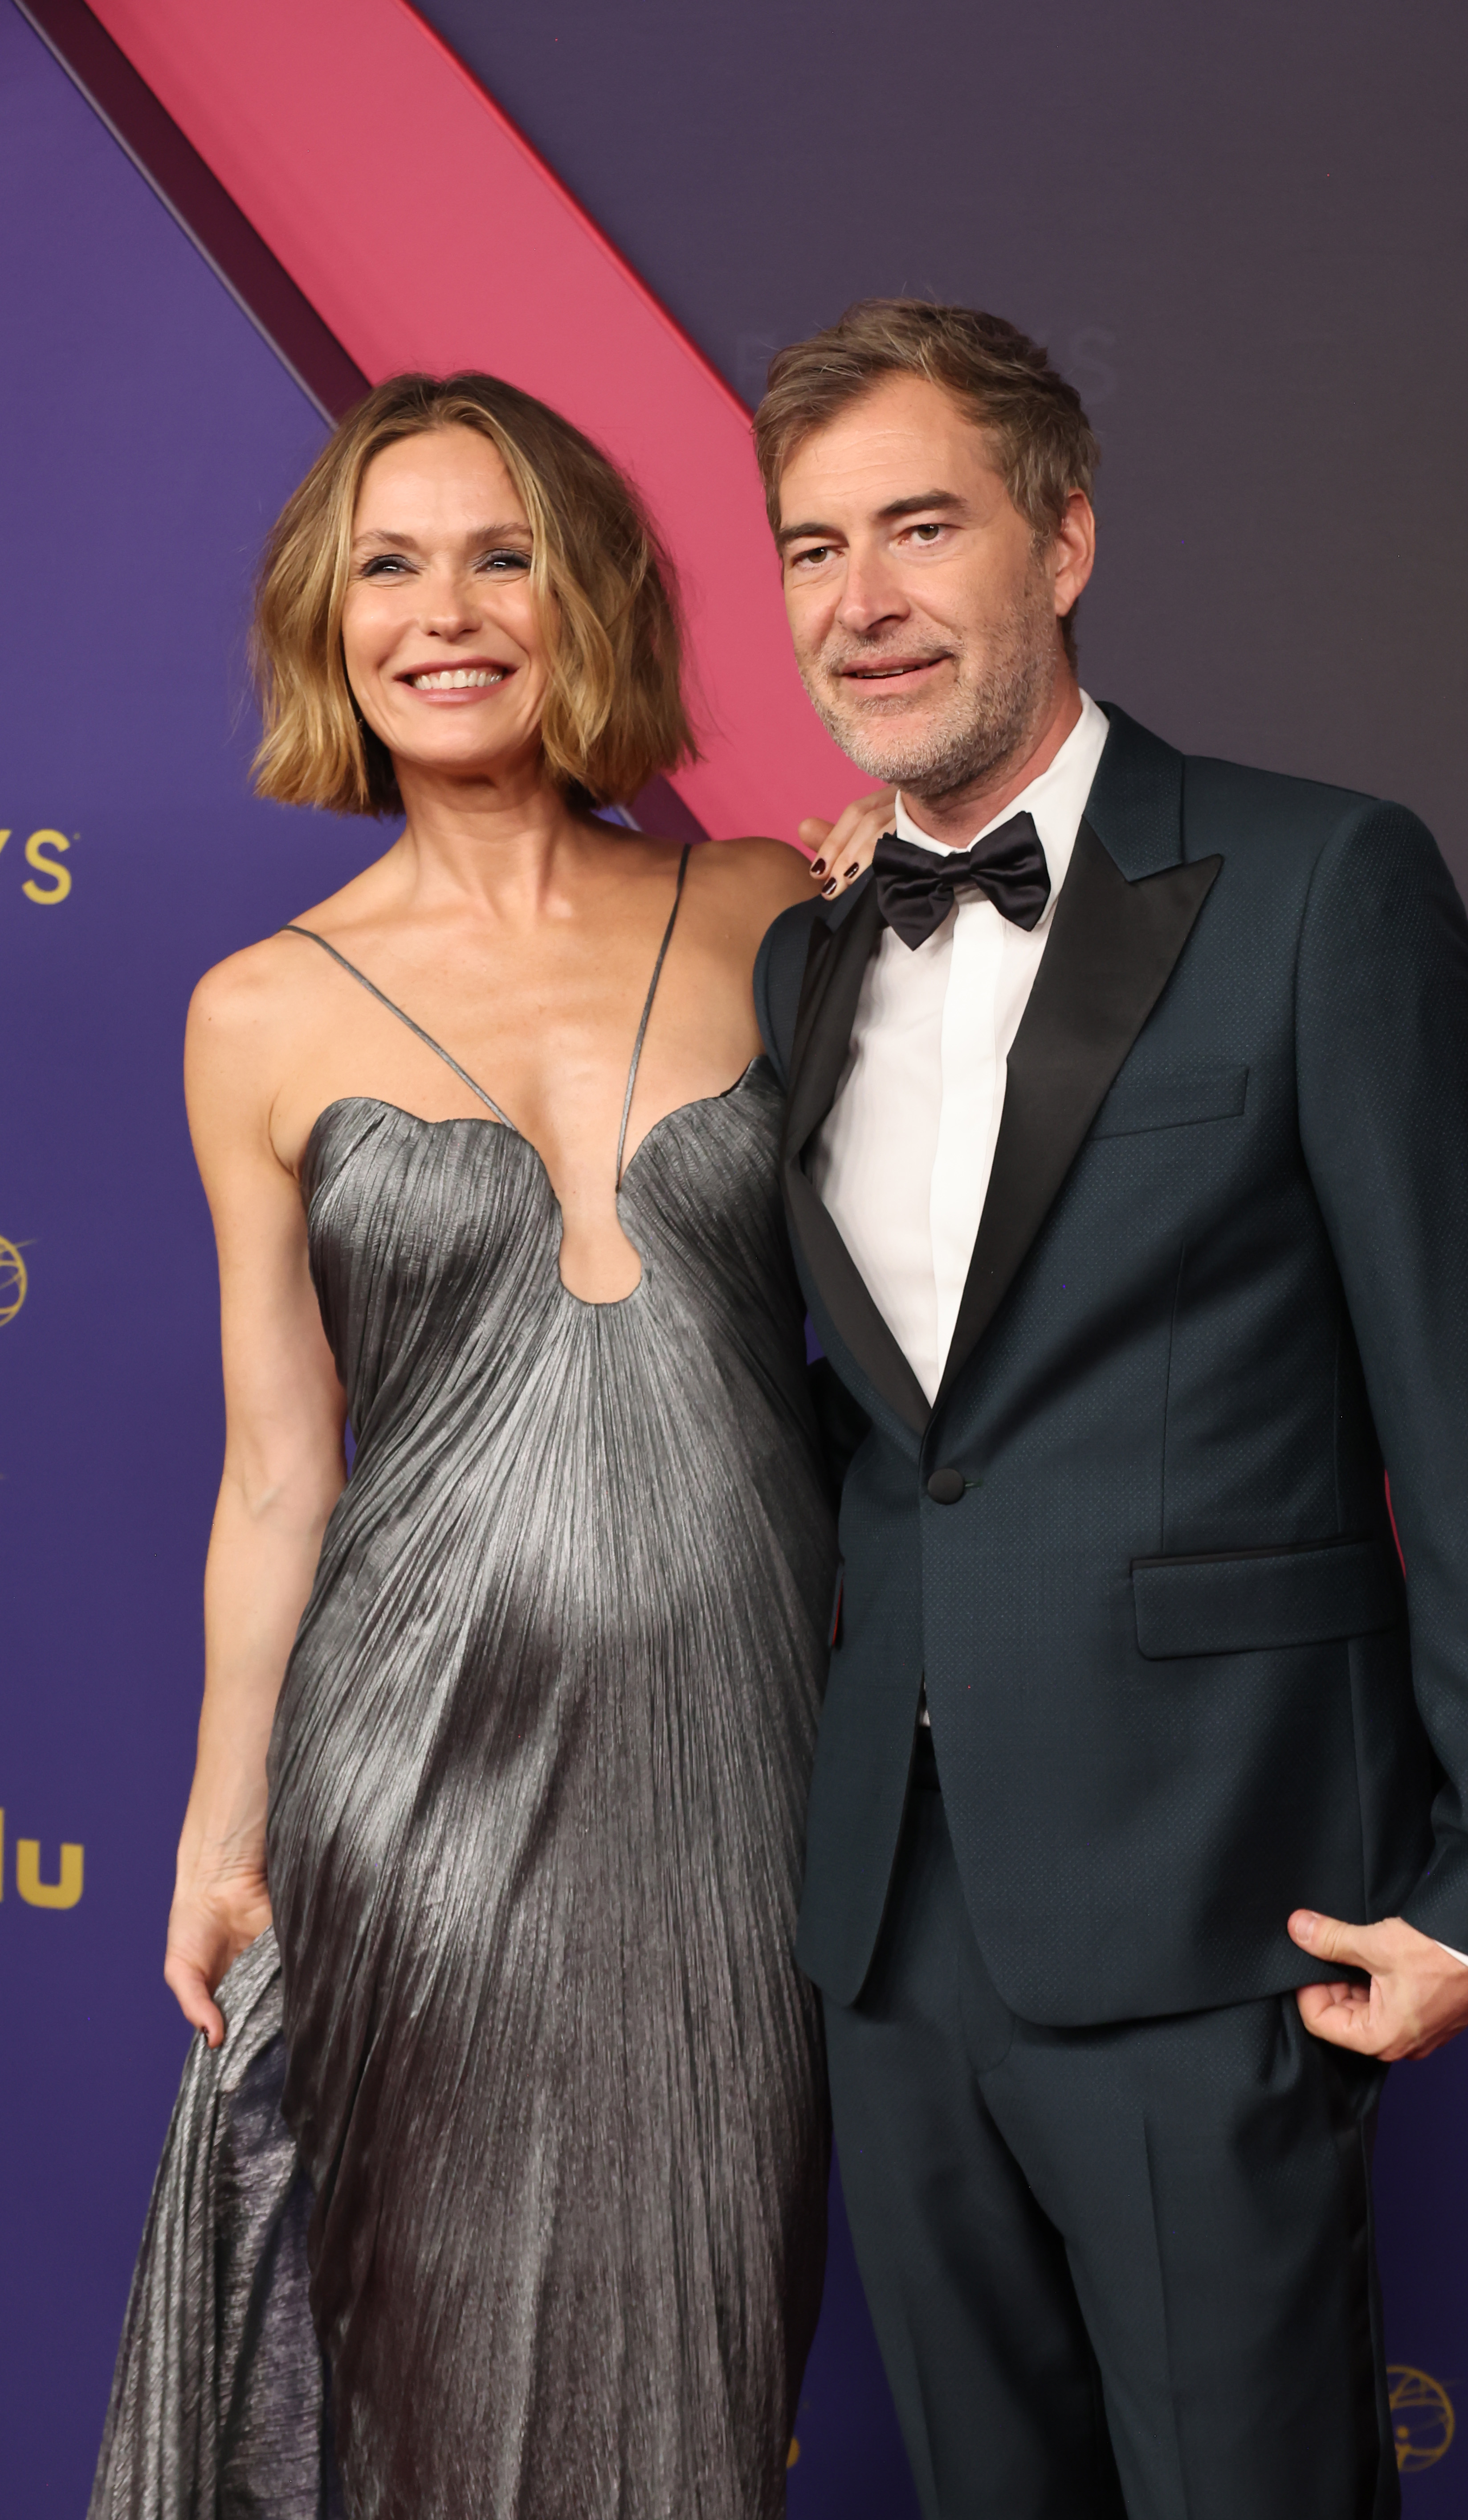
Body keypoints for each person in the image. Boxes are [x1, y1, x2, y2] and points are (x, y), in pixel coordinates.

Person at [751, 301, 1468, 2518]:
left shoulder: (1324, 879)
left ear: (1066, 536)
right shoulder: (802, 945)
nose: (863, 599)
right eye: (814, 546)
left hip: (1220, 1888)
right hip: (890, 1922)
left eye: (922, 526)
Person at [90, 370, 885, 2520]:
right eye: (387, 564)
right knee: (424, 2378)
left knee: (702, 2373)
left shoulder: (772, 908)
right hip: (412, 1787)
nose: (444, 611)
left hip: (735, 1774)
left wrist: (890, 868)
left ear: (589, 592)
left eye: (502, 552)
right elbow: (280, 1470)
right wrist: (215, 1817)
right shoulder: (259, 1008)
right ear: (325, 624)